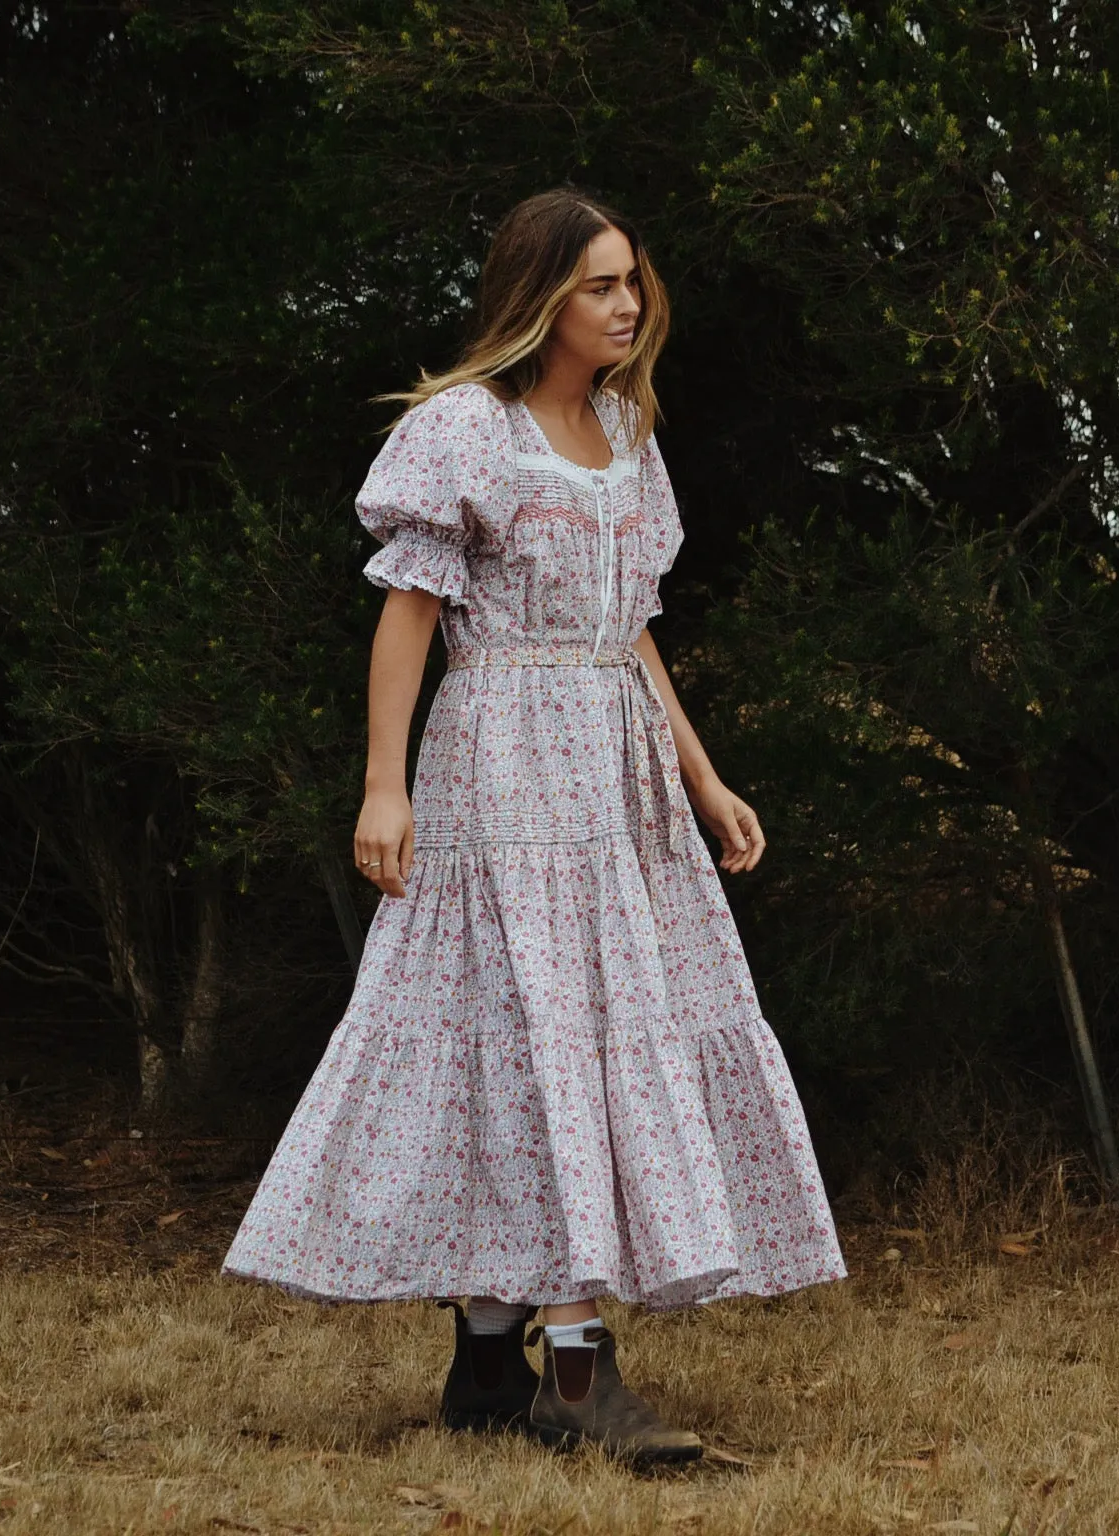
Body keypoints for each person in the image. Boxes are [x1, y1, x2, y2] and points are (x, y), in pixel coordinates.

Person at [222, 187, 847, 1465]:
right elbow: (407, 612)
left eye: (633, 281)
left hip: (614, 775)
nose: (627, 305)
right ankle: (573, 1375)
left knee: (583, 1037)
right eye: (600, 285)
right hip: (501, 765)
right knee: (541, 1035)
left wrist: (703, 777)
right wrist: (383, 784)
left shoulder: (625, 425)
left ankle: (485, 1362)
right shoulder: (465, 427)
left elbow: (629, 633)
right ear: (539, 296)